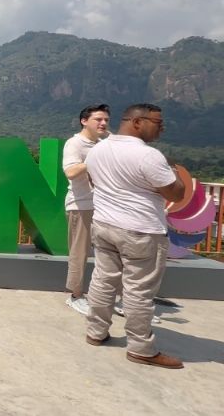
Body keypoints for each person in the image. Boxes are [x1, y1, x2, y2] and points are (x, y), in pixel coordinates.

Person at [84, 103, 185, 369]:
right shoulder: (149, 156)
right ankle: (141, 348)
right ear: (137, 122)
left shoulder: (98, 150)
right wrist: (176, 174)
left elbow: (94, 182)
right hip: (141, 230)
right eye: (158, 123)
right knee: (139, 290)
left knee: (103, 280)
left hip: (104, 224)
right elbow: (176, 194)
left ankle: (96, 331)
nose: (162, 128)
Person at [62, 104, 110, 315]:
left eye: (106, 120)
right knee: (79, 253)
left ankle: (109, 298)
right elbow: (71, 172)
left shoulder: (104, 143)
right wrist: (94, 156)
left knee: (110, 254)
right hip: (81, 205)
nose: (103, 123)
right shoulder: (74, 144)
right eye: (98, 119)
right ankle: (75, 295)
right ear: (84, 121)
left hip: (105, 207)